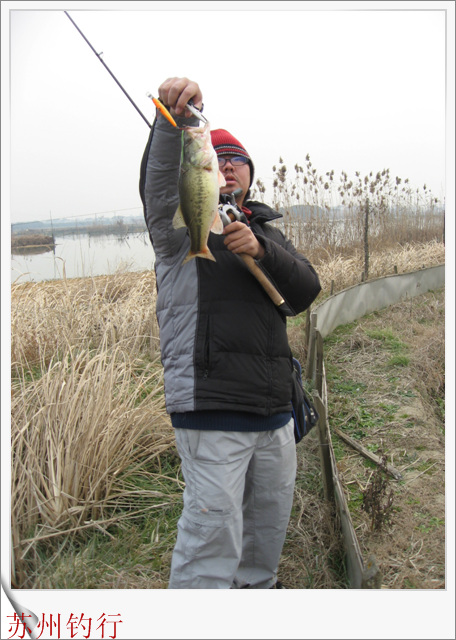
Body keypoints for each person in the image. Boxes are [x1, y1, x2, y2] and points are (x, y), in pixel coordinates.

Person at [139, 77, 321, 589]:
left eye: (238, 160)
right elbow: (160, 185)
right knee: (211, 540)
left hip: (275, 409)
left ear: (249, 174)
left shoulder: (266, 232)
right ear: (200, 170)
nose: (228, 165)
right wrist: (172, 122)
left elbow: (306, 291)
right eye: (217, 158)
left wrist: (261, 250)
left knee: (265, 534)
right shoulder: (179, 231)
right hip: (211, 405)